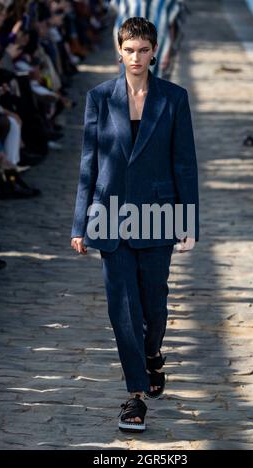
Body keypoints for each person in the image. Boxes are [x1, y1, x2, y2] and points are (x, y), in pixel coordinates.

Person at [71, 16, 199, 433]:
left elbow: (185, 163)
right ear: (119, 51)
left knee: (154, 306)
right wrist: (79, 223)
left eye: (144, 49)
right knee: (121, 309)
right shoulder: (99, 97)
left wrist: (188, 220)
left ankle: (153, 354)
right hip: (109, 216)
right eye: (130, 50)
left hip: (158, 216)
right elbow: (89, 163)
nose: (137, 57)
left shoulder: (174, 98)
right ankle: (136, 397)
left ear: (154, 51)